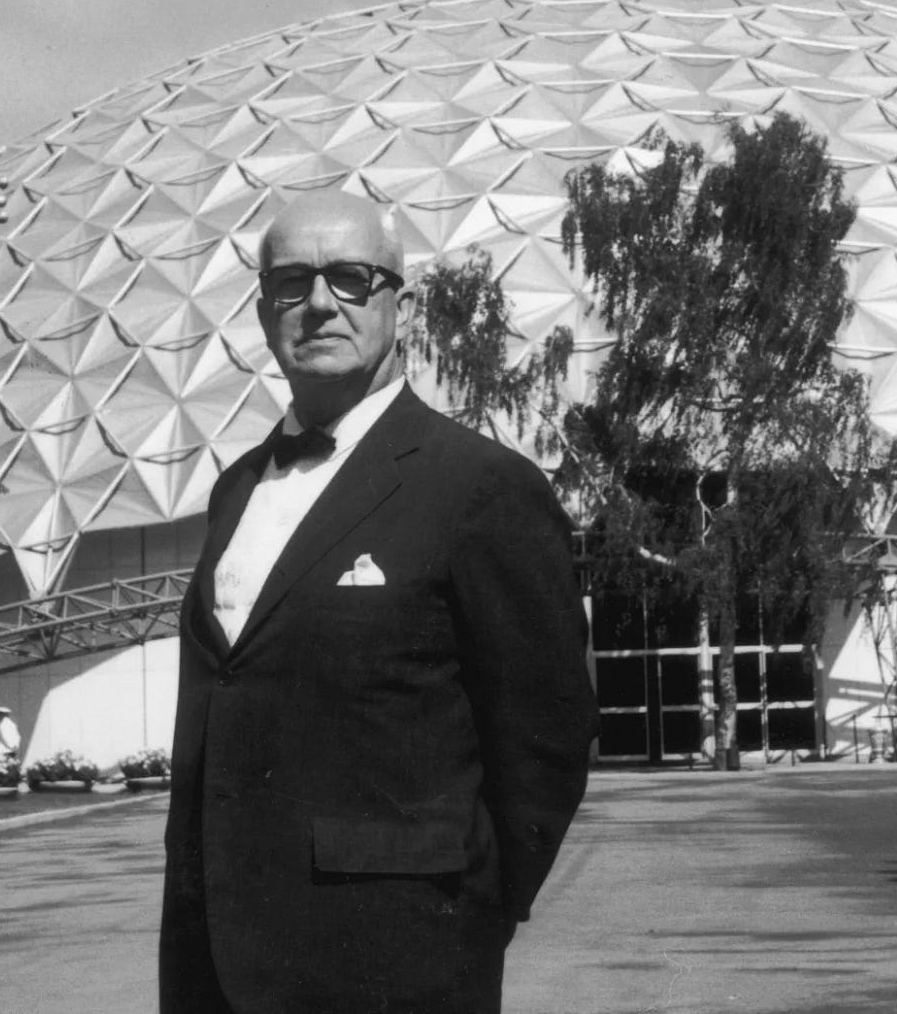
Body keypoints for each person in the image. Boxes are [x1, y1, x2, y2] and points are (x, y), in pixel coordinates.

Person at [159, 191, 600, 1013]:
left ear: (400, 302)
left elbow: (546, 734)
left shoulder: (478, 486)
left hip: (398, 964)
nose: (320, 302)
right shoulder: (237, 490)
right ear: (261, 311)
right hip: (215, 964)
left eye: (351, 278)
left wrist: (466, 911)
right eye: (291, 282)